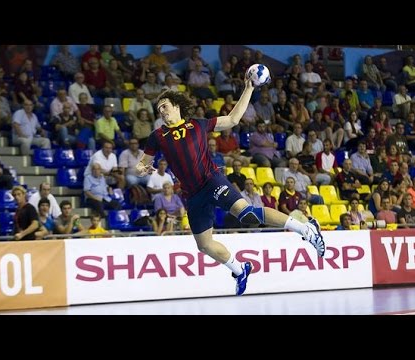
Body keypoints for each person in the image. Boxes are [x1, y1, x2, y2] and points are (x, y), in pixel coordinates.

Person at [136, 75, 325, 297]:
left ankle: (306, 229)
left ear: (176, 106)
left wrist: (248, 88)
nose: (162, 111)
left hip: (212, 180)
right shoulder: (157, 136)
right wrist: (143, 169)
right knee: (204, 245)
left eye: (165, 106)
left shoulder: (197, 124)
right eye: (159, 109)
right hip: (192, 195)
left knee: (246, 214)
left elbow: (233, 119)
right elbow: (142, 164)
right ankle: (240, 269)